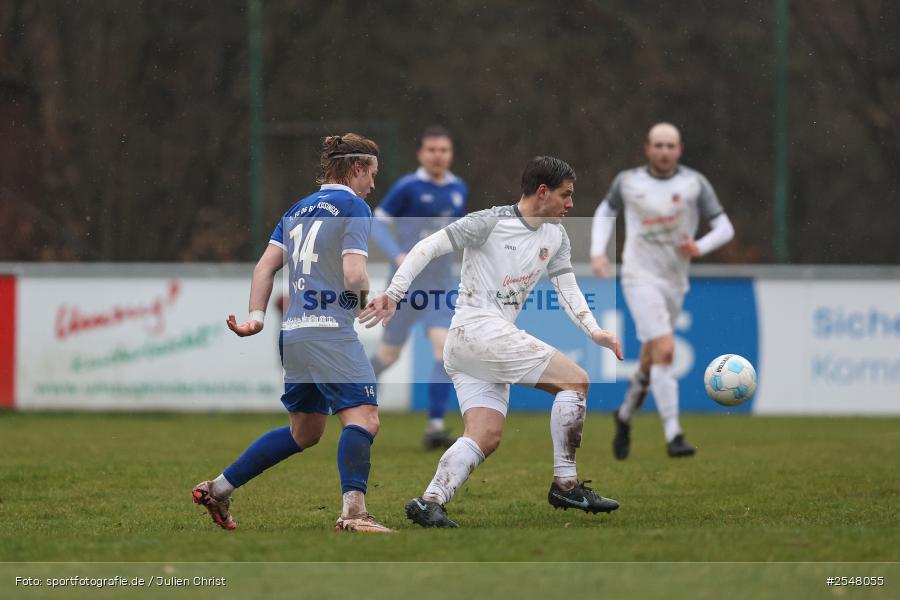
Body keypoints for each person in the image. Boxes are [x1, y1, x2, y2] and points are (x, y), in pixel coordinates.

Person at [360, 156, 624, 528]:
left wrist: (594, 330)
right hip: (479, 332)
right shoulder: (488, 223)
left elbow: (567, 288)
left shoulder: (556, 235)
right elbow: (426, 247)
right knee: (575, 381)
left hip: (469, 345)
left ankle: (429, 500)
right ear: (543, 192)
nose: (571, 205)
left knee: (486, 434)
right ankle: (566, 484)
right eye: (566, 195)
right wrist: (394, 292)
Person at [192, 133, 393, 533]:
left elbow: (265, 267)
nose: (373, 184)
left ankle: (218, 488)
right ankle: (354, 514)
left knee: (305, 431)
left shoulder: (297, 209)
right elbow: (354, 273)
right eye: (371, 173)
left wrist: (256, 317)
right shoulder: (354, 206)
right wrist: (368, 298)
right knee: (365, 418)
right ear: (356, 168)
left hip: (295, 333)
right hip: (329, 333)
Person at [590, 122, 735, 460]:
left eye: (670, 145)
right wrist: (598, 251)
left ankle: (624, 415)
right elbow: (604, 211)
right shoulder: (628, 182)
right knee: (666, 350)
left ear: (679, 149)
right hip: (639, 276)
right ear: (647, 148)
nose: (664, 151)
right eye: (658, 145)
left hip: (675, 281)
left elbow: (725, 227)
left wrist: (699, 246)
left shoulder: (694, 183)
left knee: (650, 358)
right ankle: (674, 433)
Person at [369, 126, 468, 450]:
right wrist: (398, 253)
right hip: (404, 285)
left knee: (445, 350)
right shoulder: (407, 187)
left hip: (439, 286)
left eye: (444, 150)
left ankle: (435, 426)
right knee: (389, 355)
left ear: (451, 154)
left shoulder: (459, 189)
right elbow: (377, 220)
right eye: (432, 149)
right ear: (421, 153)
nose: (438, 155)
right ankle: (355, 389)